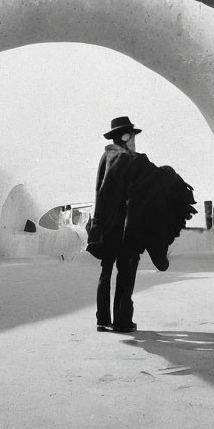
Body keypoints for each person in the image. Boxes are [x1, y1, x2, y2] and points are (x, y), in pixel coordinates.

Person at [88, 116, 144, 333]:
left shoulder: (107, 156)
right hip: (119, 228)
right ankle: (122, 320)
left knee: (106, 272)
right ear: (124, 137)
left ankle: (102, 319)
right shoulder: (119, 158)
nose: (134, 141)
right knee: (125, 271)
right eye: (132, 137)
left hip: (105, 226)